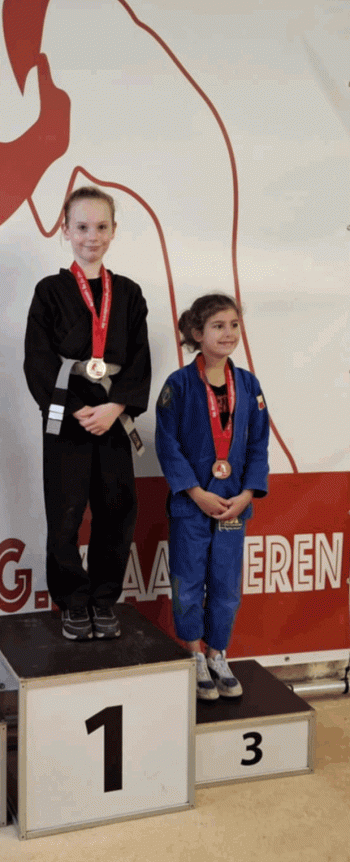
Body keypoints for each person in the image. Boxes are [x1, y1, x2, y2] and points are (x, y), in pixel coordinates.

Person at [24, 186, 151, 640]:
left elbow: (139, 359)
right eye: (81, 227)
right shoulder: (50, 291)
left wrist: (115, 407)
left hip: (114, 420)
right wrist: (78, 410)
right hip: (68, 420)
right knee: (65, 513)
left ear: (114, 231)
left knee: (116, 511)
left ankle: (103, 599)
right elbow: (38, 359)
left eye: (101, 227)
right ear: (65, 230)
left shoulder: (129, 294)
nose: (91, 236)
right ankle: (73, 601)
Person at [155, 294, 269, 700]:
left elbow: (258, 444)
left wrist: (247, 493)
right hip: (193, 504)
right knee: (188, 582)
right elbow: (167, 445)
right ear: (197, 333)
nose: (228, 333)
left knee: (226, 586)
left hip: (233, 504)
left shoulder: (249, 385)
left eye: (234, 325)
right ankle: (193, 655)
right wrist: (195, 492)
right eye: (218, 326)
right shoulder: (179, 385)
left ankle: (217, 653)